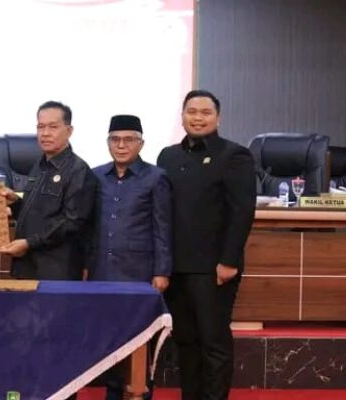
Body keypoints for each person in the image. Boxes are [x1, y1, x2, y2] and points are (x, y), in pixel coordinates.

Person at [156, 90, 256, 400]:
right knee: (185, 342)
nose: (197, 118)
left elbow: (242, 211)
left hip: (213, 268)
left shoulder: (234, 155)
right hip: (176, 267)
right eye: (191, 111)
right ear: (182, 116)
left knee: (213, 343)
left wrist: (229, 261)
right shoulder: (168, 156)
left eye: (205, 112)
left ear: (218, 118)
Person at [89, 114, 172, 400]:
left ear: (141, 143)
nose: (121, 145)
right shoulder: (96, 176)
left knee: (138, 345)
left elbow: (162, 227)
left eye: (128, 140)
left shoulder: (156, 178)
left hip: (139, 275)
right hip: (102, 274)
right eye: (115, 139)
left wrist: (162, 271)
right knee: (110, 345)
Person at [0, 100, 97, 281]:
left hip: (56, 271)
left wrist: (29, 243)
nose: (45, 133)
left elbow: (71, 223)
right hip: (27, 265)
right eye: (40, 127)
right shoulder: (39, 165)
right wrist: (16, 202)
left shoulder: (78, 170)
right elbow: (38, 211)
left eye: (53, 127)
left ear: (69, 131)